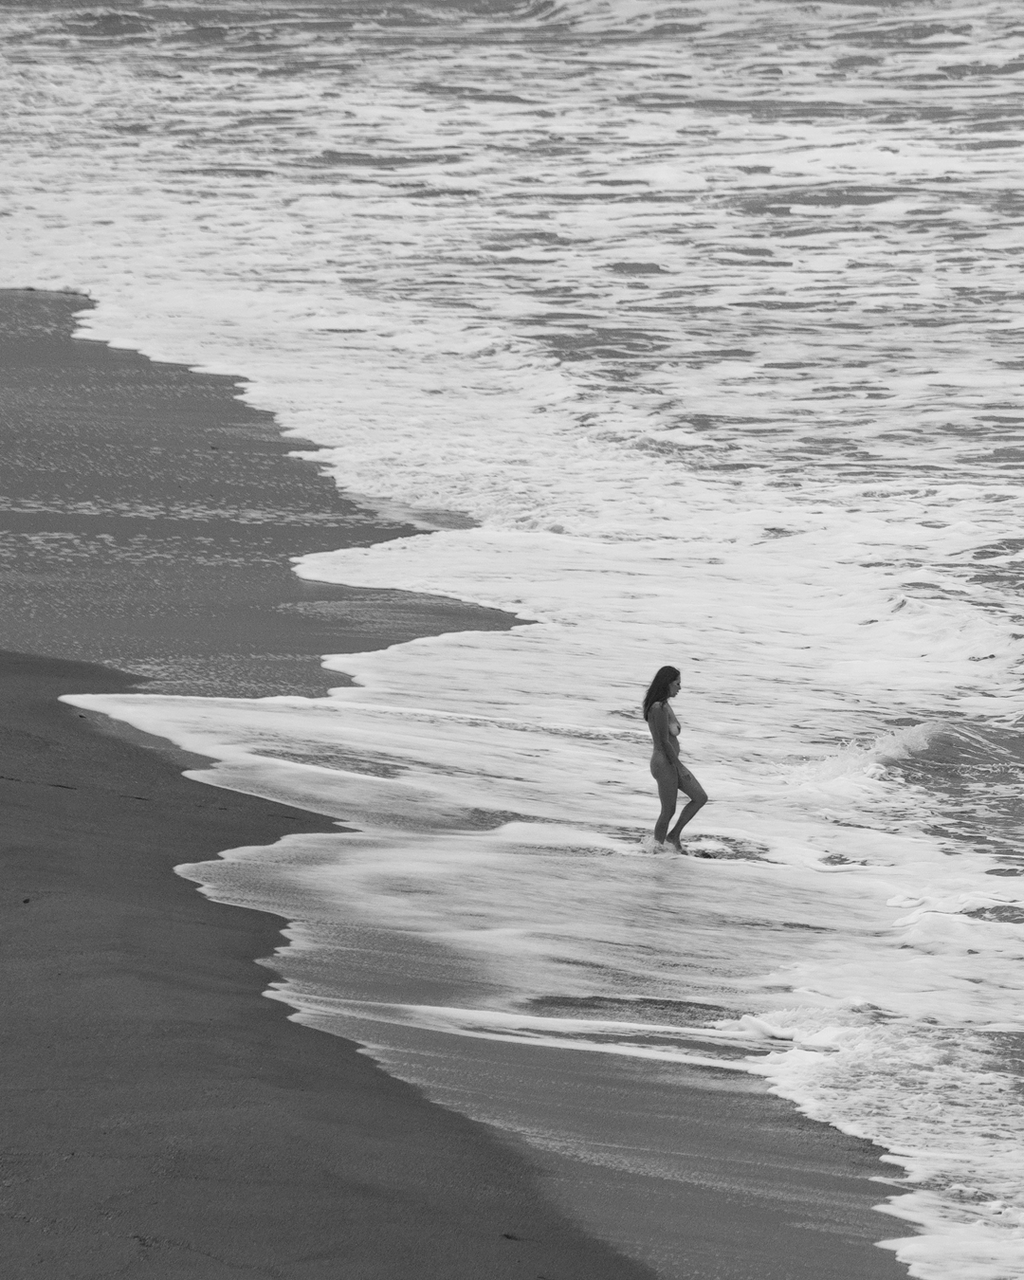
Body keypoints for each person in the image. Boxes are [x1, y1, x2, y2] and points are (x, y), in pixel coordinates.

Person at [643, 665, 708, 849]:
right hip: (664, 762)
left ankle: (673, 836)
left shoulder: (664, 705)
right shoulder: (658, 708)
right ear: (667, 683)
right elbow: (664, 742)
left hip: (669, 762)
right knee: (668, 810)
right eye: (677, 683)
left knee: (700, 797)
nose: (680, 687)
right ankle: (656, 849)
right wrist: (680, 767)